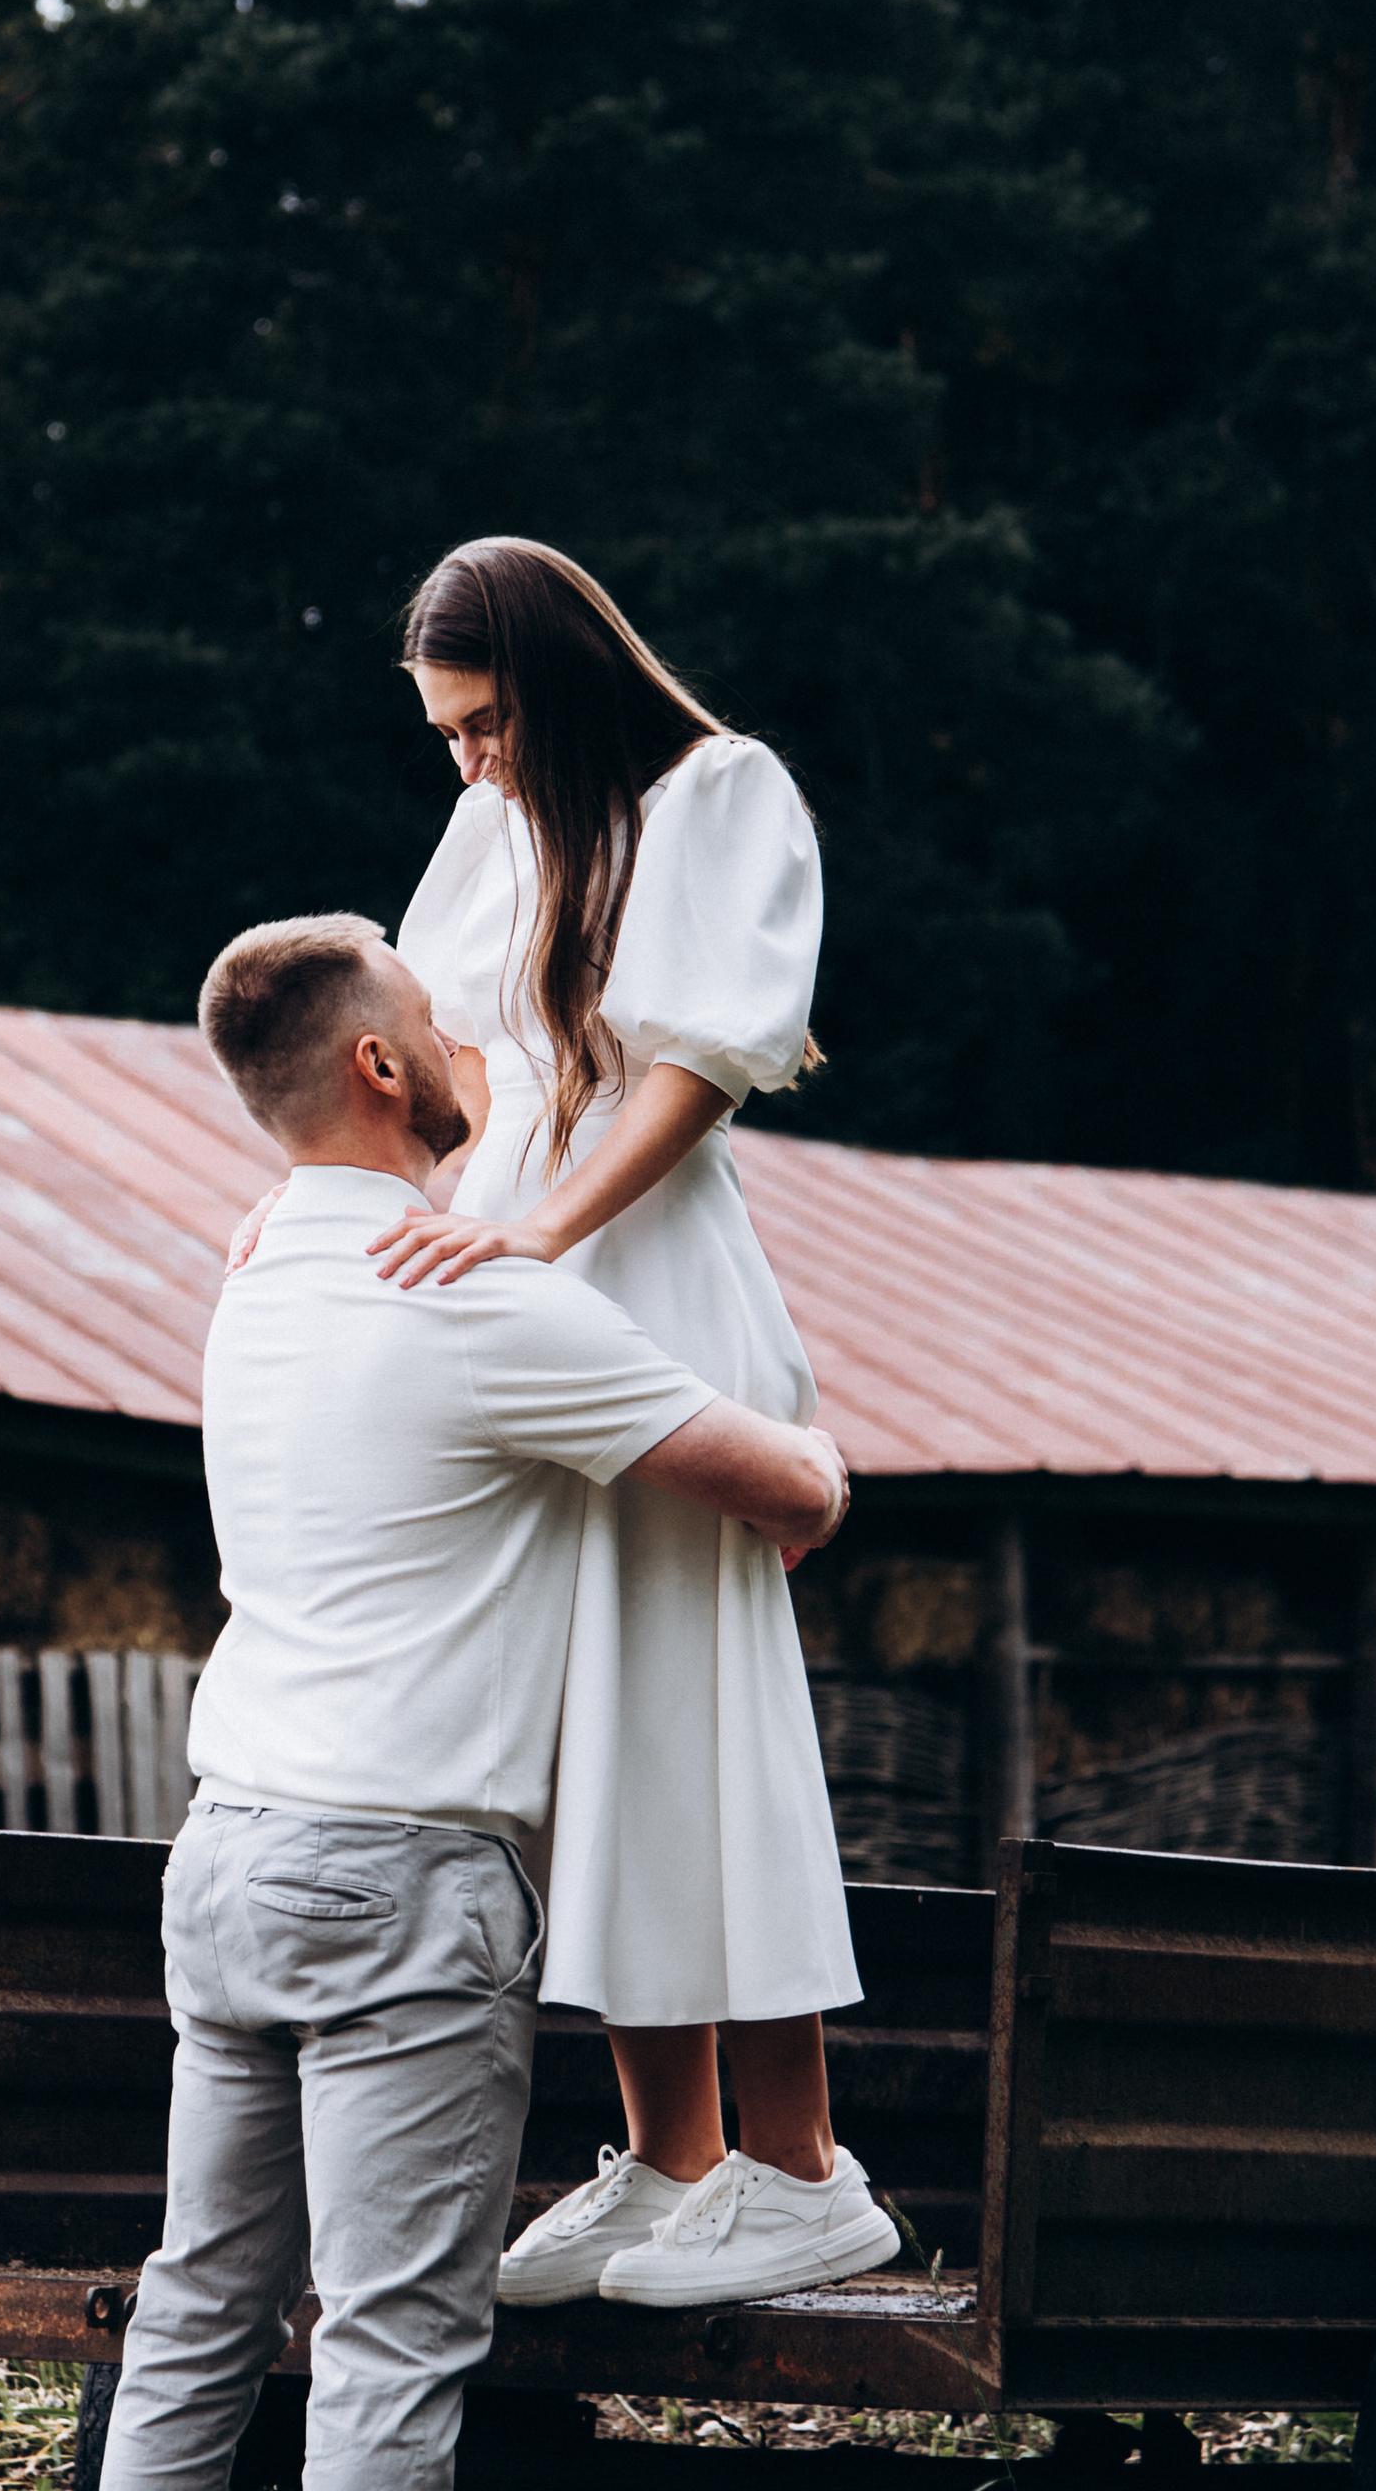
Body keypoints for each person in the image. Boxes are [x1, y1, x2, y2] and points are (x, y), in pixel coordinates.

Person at [99, 914, 859, 2491]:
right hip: (393, 1884)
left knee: (197, 2313)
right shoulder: (475, 1305)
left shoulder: (255, 1280)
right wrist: (815, 1461)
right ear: (380, 1065)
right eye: (446, 1027)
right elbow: (794, 1484)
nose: (478, 1058)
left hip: (227, 1857)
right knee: (389, 2348)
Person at [373, 534, 881, 2311]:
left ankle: (806, 2168)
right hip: (515, 1289)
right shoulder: (495, 824)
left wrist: (540, 1226)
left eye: (489, 720)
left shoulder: (718, 791)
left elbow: (692, 1067)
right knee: (583, 1736)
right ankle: (674, 2170)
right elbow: (443, 1060)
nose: (471, 759)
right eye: (446, 734)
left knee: (694, 1711)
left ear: (564, 677)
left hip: (646, 1285)